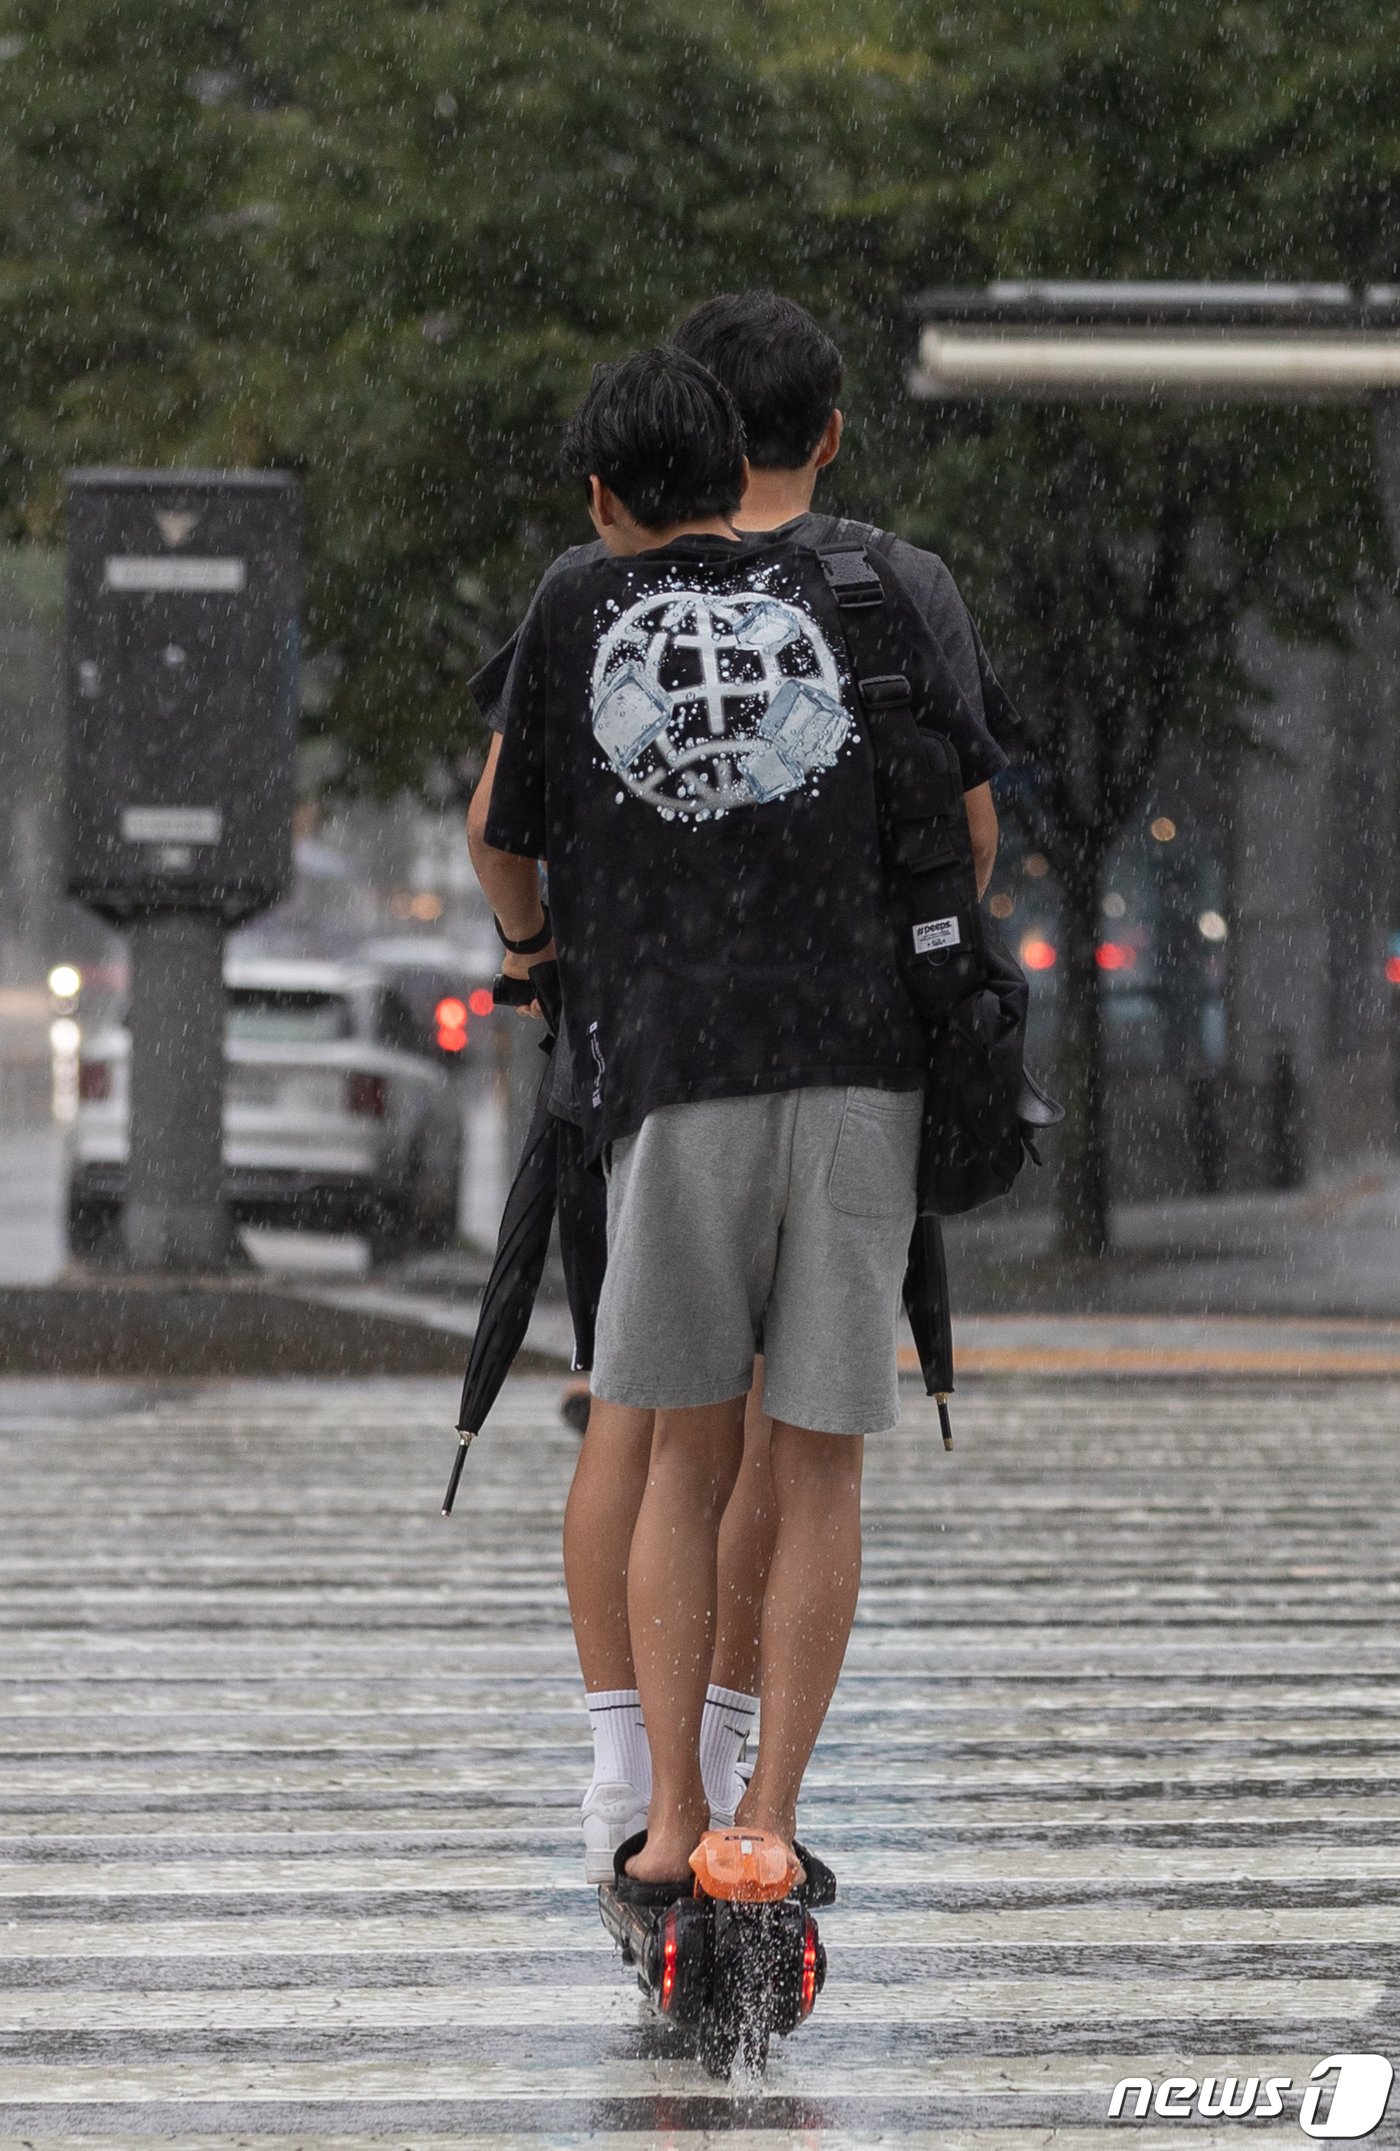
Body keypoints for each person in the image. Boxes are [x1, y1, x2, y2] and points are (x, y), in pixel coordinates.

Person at [468, 291, 1009, 1881]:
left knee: (667, 1447)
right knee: (820, 1450)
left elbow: (503, 830)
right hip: (859, 1070)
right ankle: (770, 1825)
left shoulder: (579, 602)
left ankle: (661, 1819)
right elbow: (964, 840)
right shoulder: (877, 588)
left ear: (603, 491)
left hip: (671, 1071)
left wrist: (539, 956)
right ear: (808, 442)